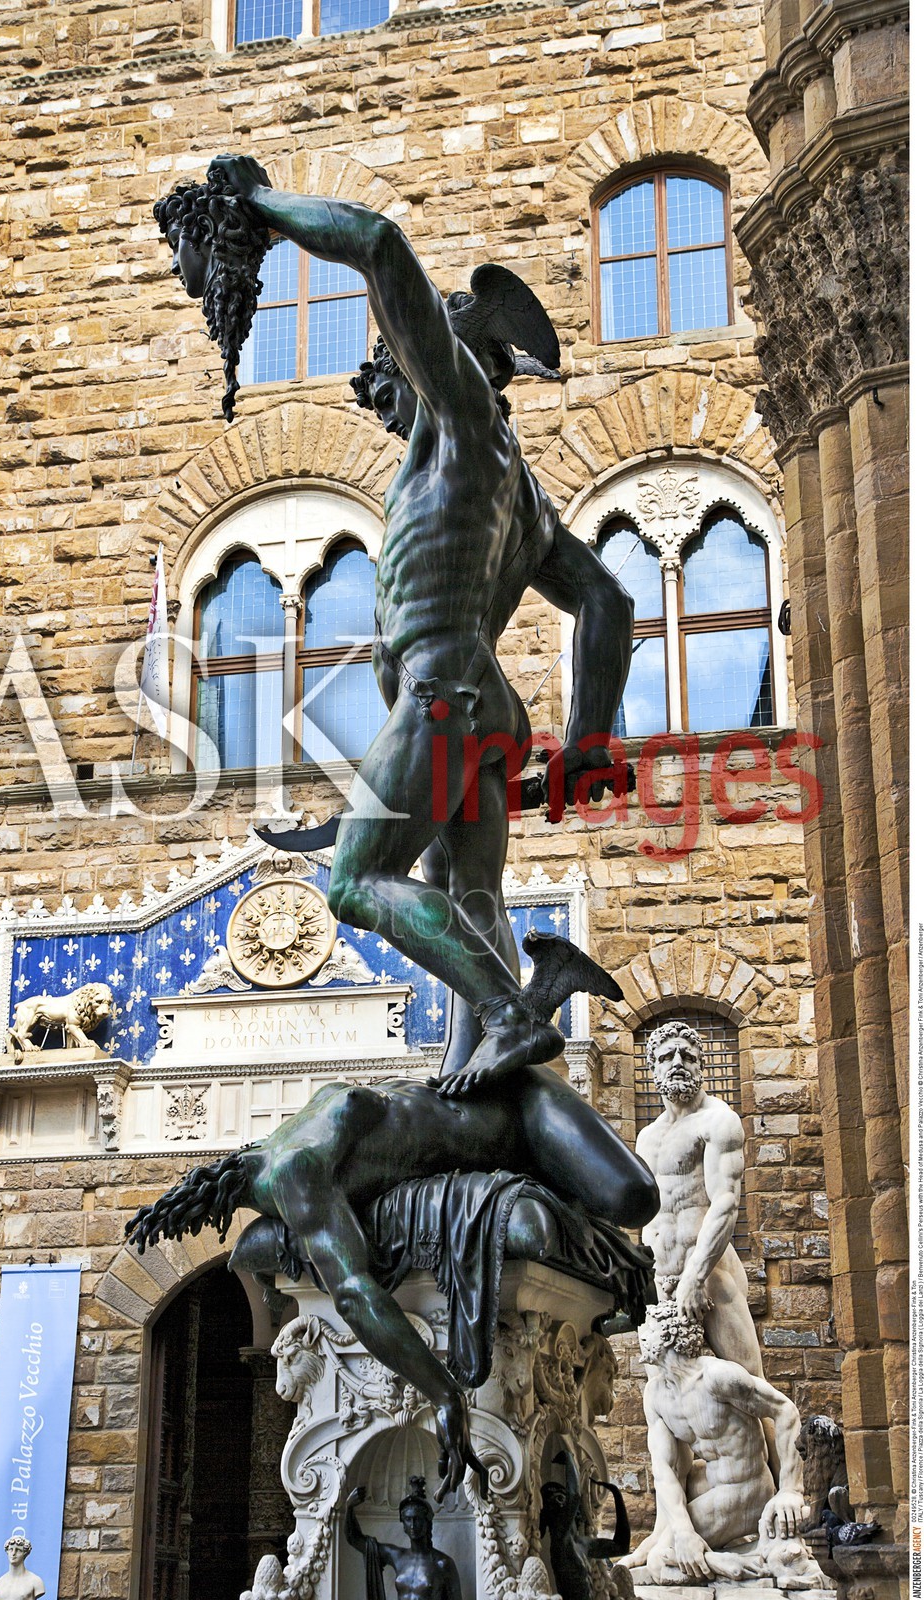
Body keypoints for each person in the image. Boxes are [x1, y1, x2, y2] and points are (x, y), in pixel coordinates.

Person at [156, 154, 634, 1096]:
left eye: (391, 378)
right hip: (483, 708)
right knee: (471, 898)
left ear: (440, 358)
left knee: (353, 880)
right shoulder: (521, 497)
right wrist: (586, 741)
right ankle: (483, 1083)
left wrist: (256, 203)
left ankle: (508, 1013)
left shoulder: (460, 420)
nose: (383, 404)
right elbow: (605, 602)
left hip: (439, 693)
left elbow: (378, 243)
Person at [127, 1067, 658, 1498]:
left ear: (224, 1206)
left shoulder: (293, 1173)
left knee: (636, 1198)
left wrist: (445, 1396)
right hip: (491, 1109)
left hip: (522, 1114)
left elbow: (355, 1295)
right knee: (618, 1201)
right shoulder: (301, 1125)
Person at [620, 1302, 808, 1582]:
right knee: (675, 1526)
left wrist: (791, 1489)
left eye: (649, 1327)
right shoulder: (656, 1394)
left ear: (669, 1334)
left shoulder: (717, 1377)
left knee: (661, 1560)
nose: (641, 1333)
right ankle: (732, 1555)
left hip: (747, 1488)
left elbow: (785, 1410)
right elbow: (665, 1470)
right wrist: (681, 1531)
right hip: (713, 1484)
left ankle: (729, 1561)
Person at [635, 1021, 763, 1377]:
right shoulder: (647, 1137)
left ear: (700, 1066)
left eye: (687, 1056)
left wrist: (694, 1276)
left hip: (709, 1274)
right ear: (654, 1068)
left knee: (749, 1383)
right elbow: (648, 1216)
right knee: (666, 1390)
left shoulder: (718, 1121)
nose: (677, 1062)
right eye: (667, 1057)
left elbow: (725, 1203)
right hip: (661, 1280)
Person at [344, 1478, 463, 1600]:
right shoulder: (397, 1556)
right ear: (403, 1524)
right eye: (408, 1519)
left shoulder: (443, 1563)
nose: (412, 1525)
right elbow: (355, 1539)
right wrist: (349, 1508)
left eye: (417, 1519)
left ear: (427, 1522)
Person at [0, 1535, 46, 1600]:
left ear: (25, 1553)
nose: (13, 1553)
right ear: (7, 1551)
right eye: (11, 1549)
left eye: (18, 1550)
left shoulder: (35, 1582)